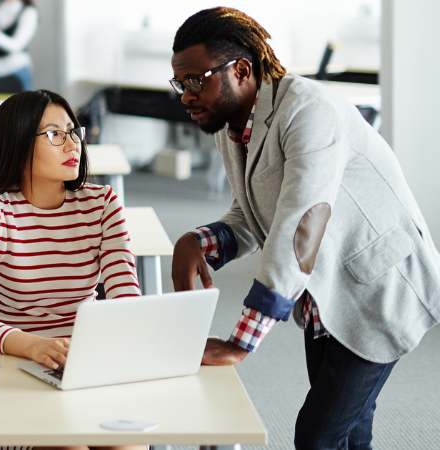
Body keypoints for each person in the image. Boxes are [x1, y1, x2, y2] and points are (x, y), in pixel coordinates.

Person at [168, 8, 440, 449]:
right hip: (325, 295)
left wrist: (240, 342)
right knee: (350, 434)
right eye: (181, 83)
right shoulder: (231, 123)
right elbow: (253, 214)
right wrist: (198, 242)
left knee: (318, 436)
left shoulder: (308, 110)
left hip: (379, 288)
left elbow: (299, 225)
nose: (185, 95)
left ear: (241, 70)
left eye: (196, 80)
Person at [0, 90, 142, 450]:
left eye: (74, 132)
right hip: (17, 371)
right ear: (18, 144)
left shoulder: (102, 204)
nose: (73, 146)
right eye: (55, 135)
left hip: (87, 371)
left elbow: (127, 302)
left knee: (130, 445)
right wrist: (35, 346)